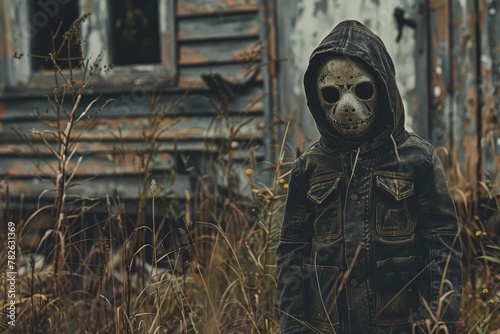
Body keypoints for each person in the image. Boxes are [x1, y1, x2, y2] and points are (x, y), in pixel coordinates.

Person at [276, 20, 462, 334]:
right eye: (332, 93)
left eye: (362, 90)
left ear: (384, 86)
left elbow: (442, 247)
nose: (347, 107)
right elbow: (292, 251)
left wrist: (434, 324)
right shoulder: (309, 167)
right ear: (317, 98)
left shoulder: (418, 160)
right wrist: (294, 328)